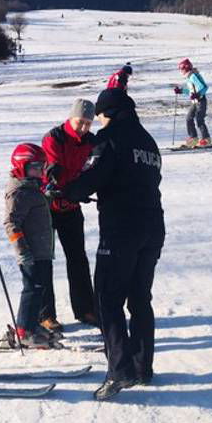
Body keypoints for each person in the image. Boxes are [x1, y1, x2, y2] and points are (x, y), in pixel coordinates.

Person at [52, 89, 165, 401]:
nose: (98, 120)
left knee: (107, 298)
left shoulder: (110, 138)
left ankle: (120, 370)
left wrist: (65, 192)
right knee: (140, 298)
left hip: (121, 230)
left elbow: (91, 178)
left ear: (110, 112)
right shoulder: (148, 142)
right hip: (154, 227)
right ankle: (143, 368)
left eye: (100, 114)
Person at [41, 99, 99, 330]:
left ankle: (86, 309)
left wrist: (83, 188)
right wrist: (56, 181)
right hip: (48, 206)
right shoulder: (54, 137)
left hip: (71, 206)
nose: (83, 128)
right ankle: (45, 314)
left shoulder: (90, 141)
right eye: (80, 122)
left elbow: (98, 161)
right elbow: (52, 167)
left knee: (78, 258)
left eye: (88, 123)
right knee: (44, 260)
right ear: (70, 118)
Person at [0, 143, 60, 349]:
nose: (40, 171)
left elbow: (35, 206)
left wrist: (48, 195)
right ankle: (24, 329)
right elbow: (11, 222)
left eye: (42, 167)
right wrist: (22, 251)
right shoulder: (20, 191)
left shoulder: (32, 187)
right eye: (35, 167)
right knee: (31, 289)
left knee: (39, 288)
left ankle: (32, 324)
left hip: (42, 249)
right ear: (21, 166)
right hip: (30, 252)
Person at [173, 58, 212, 147]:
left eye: (181, 69)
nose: (180, 71)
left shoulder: (193, 76)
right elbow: (191, 90)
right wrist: (181, 91)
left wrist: (198, 95)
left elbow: (204, 87)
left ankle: (206, 139)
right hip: (194, 102)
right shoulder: (189, 77)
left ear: (186, 68)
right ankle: (193, 138)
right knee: (189, 118)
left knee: (199, 119)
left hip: (201, 101)